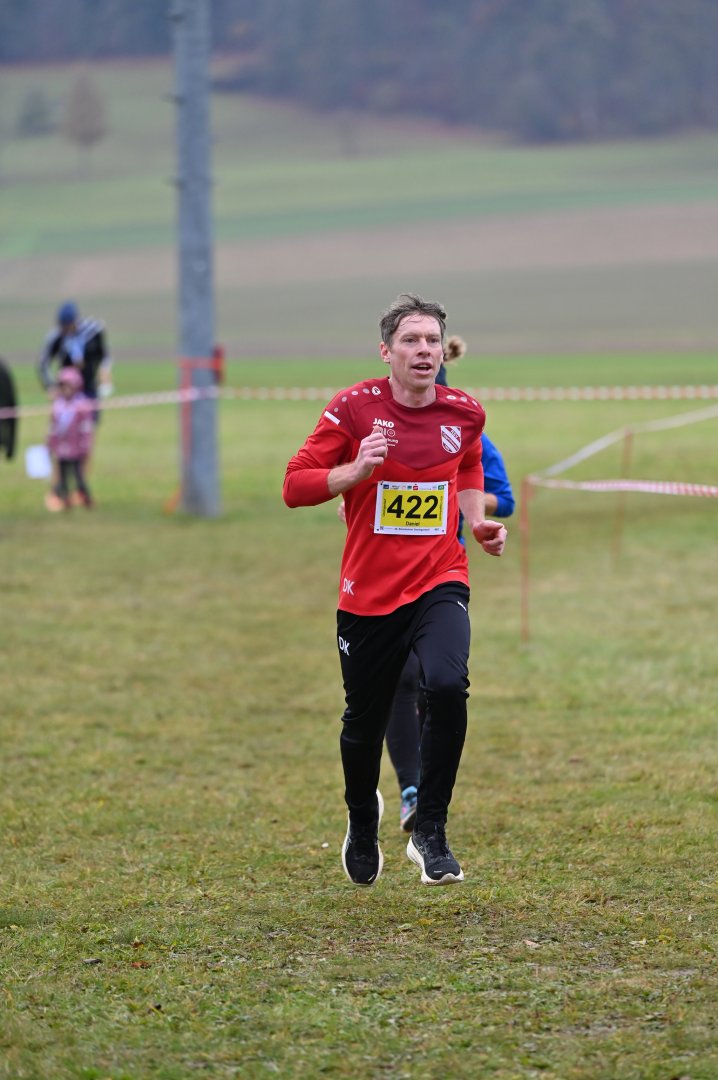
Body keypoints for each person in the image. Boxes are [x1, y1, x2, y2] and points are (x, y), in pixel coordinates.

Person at [283, 293, 507, 887]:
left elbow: (467, 465)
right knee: (363, 723)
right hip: (368, 593)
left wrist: (475, 520)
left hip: (440, 576)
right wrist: (354, 472)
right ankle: (362, 818)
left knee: (447, 685)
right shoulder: (353, 409)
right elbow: (294, 486)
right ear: (386, 351)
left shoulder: (465, 412)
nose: (423, 350)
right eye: (410, 340)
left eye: (432, 340)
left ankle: (430, 830)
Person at [38, 300, 113, 418]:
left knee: (90, 421)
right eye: (63, 325)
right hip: (67, 391)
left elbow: (104, 356)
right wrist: (51, 386)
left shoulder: (92, 332)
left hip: (89, 386)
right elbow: (43, 364)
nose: (66, 328)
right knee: (66, 422)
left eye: (68, 324)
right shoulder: (56, 337)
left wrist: (104, 371)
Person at [46, 367, 95, 511]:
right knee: (62, 475)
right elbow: (53, 428)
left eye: (69, 386)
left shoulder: (82, 405)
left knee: (78, 475)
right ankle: (64, 498)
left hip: (76, 449)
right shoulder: (58, 406)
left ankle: (84, 496)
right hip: (62, 449)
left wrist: (85, 446)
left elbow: (86, 429)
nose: (66, 390)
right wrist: (50, 444)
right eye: (63, 387)